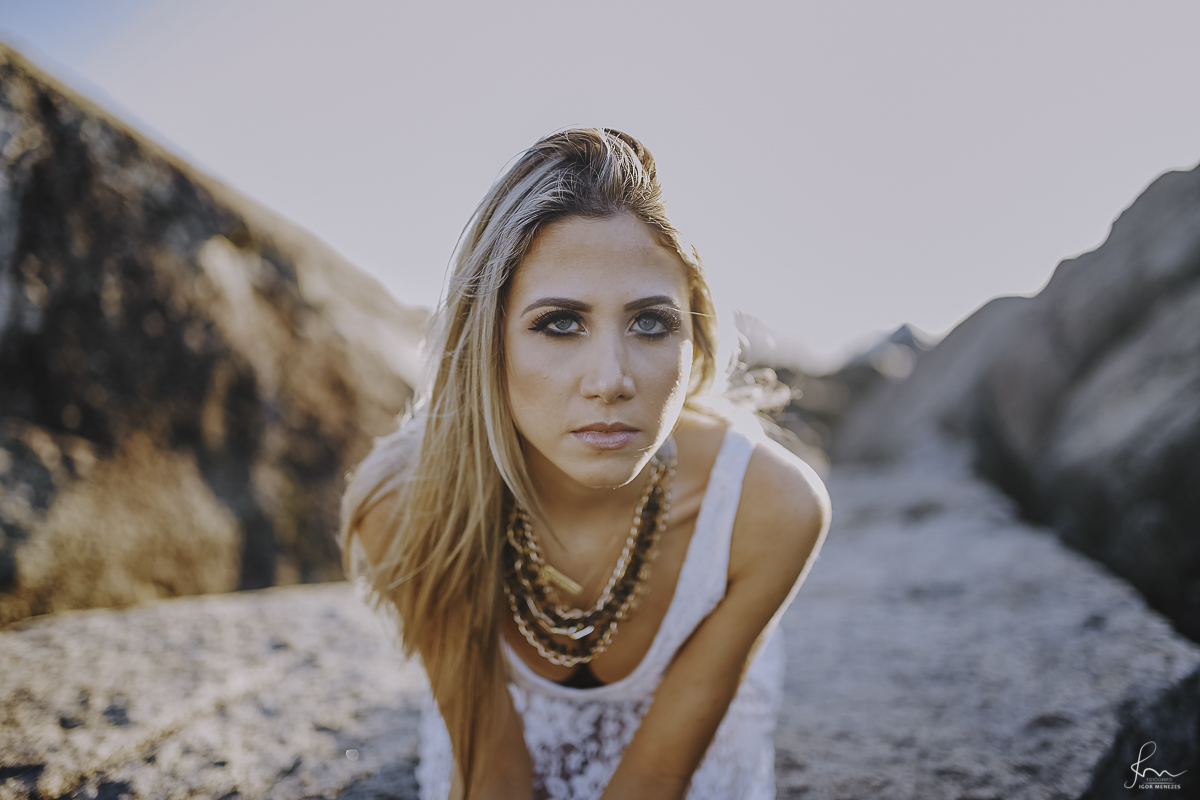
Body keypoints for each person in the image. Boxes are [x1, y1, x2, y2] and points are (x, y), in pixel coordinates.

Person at [339, 128, 830, 800]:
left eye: (651, 323)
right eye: (561, 323)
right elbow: (495, 778)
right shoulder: (407, 503)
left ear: (693, 340)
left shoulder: (769, 509)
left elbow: (657, 778)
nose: (610, 380)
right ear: (489, 339)